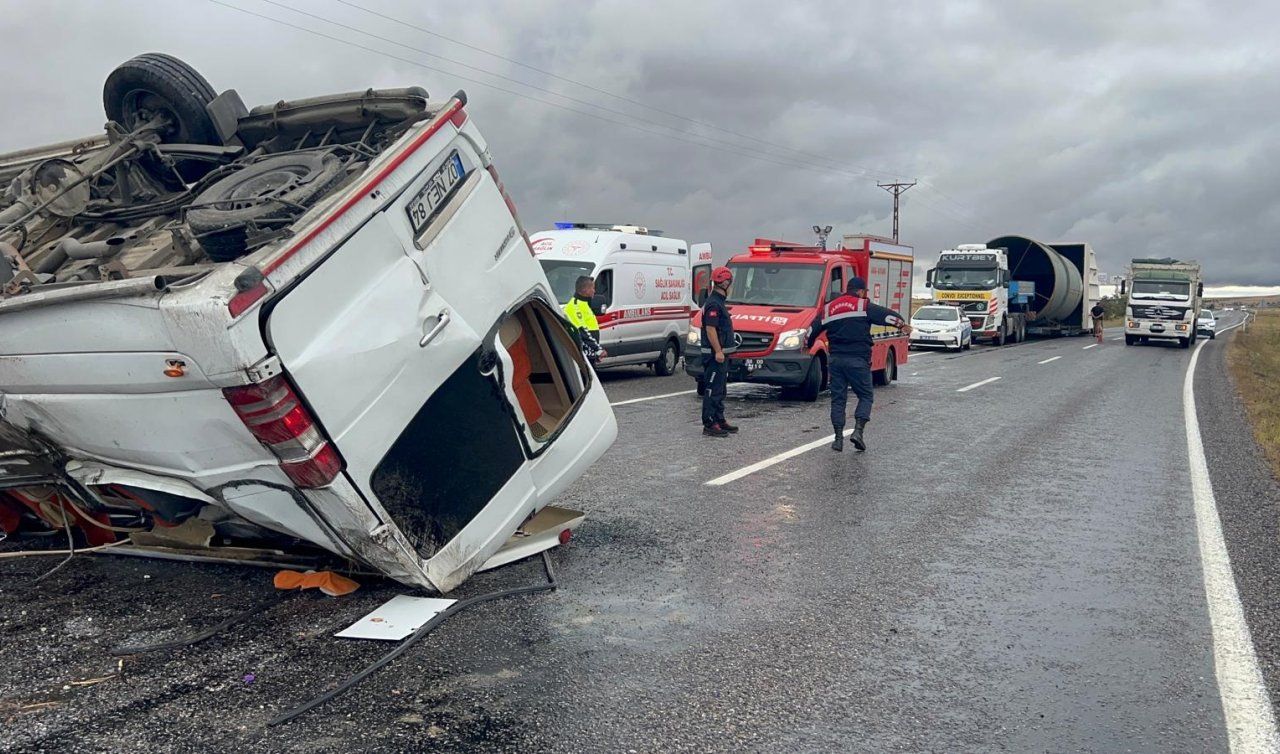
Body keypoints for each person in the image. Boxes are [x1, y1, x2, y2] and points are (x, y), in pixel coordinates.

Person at [807, 276, 912, 452]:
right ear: (862, 291)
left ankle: (838, 439)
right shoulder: (863, 306)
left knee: (838, 399)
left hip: (836, 361)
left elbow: (812, 330)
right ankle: (858, 431)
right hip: (858, 360)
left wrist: (808, 345)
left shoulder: (829, 309)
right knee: (865, 395)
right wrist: (902, 325)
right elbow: (888, 316)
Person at [700, 266, 739, 437]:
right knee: (713, 389)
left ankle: (719, 418)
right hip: (715, 355)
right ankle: (709, 423)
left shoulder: (719, 302)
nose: (731, 286)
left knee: (721, 389)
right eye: (730, 283)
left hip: (722, 355)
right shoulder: (714, 304)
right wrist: (718, 351)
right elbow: (710, 329)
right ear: (724, 283)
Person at [564, 276, 606, 363]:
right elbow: (582, 331)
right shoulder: (574, 307)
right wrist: (598, 349)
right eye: (592, 288)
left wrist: (595, 353)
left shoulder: (585, 304)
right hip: (584, 353)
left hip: (590, 352)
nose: (594, 291)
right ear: (584, 290)